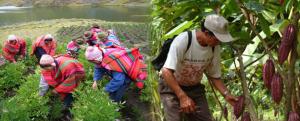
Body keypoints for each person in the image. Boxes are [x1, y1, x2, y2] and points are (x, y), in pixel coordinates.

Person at [160, 14, 238, 121]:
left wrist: (226, 94)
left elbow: (214, 75)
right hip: (171, 87)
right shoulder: (183, 41)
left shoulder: (214, 47)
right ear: (207, 34)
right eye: (217, 39)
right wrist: (182, 96)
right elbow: (166, 71)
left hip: (194, 88)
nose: (219, 42)